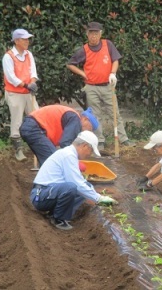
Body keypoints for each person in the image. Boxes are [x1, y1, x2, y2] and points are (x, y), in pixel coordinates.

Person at [30, 131, 118, 230]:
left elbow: (81, 183)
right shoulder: (68, 155)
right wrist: (99, 199)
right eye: (91, 150)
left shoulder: (69, 154)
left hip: (47, 193)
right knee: (72, 187)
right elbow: (76, 182)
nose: (90, 154)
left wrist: (95, 195)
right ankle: (58, 219)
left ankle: (55, 213)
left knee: (86, 187)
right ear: (85, 146)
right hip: (40, 196)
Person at [66, 21, 135, 150]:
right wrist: (83, 73)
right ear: (87, 35)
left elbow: (115, 60)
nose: (93, 36)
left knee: (114, 113)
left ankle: (124, 139)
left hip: (108, 86)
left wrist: (113, 73)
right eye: (91, 33)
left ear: (100, 34)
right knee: (95, 115)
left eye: (96, 33)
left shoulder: (107, 45)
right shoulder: (84, 50)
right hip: (91, 87)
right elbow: (70, 64)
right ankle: (100, 141)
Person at [2, 28, 39, 161]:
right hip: (15, 93)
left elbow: (33, 72)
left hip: (28, 92)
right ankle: (18, 151)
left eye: (28, 39)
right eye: (24, 39)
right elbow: (11, 77)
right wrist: (26, 85)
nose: (27, 41)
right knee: (17, 121)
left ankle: (38, 146)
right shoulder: (8, 56)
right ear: (17, 41)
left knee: (37, 117)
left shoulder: (29, 54)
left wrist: (33, 83)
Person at [20, 105, 99, 166]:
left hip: (31, 126)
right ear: (85, 119)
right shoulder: (76, 119)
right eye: (90, 128)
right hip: (34, 127)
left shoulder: (72, 116)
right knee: (53, 160)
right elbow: (65, 143)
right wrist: (74, 163)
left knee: (47, 162)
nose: (88, 131)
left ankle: (44, 185)